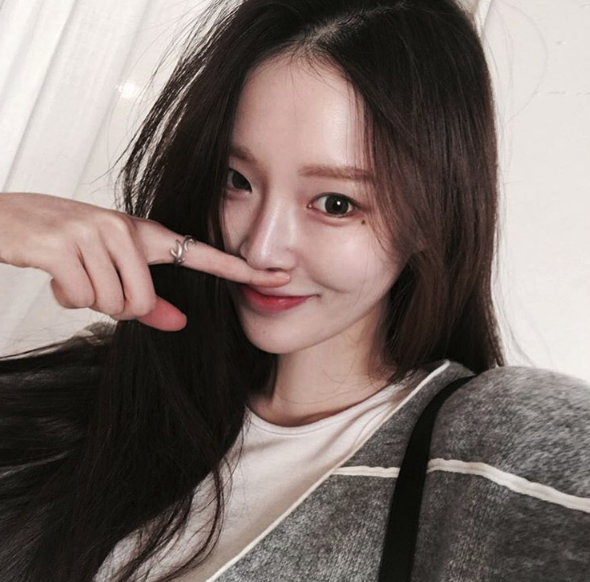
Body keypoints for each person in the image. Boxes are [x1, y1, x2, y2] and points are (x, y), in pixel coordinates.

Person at [0, 0, 588, 581]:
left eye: (335, 203)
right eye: (238, 181)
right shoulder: (97, 392)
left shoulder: (493, 446)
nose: (261, 249)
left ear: (431, 220)